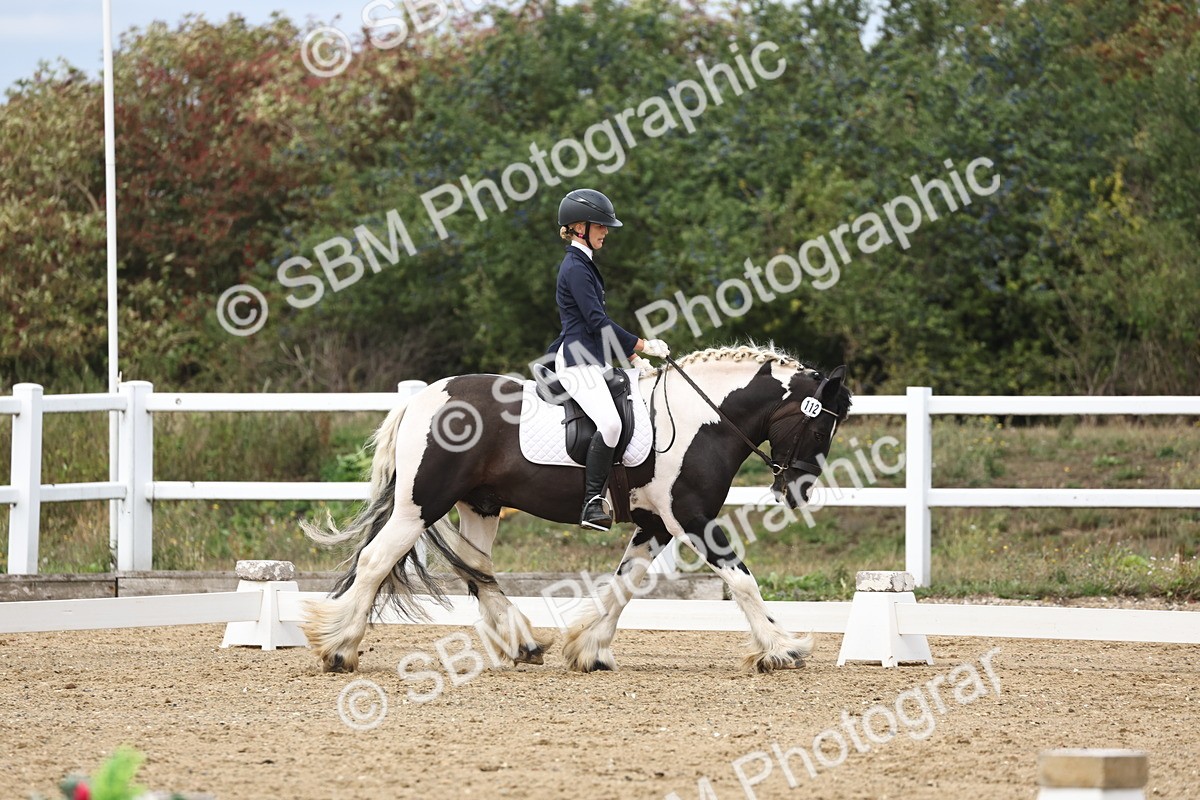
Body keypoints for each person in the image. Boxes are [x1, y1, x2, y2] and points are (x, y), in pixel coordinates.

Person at [547, 189, 670, 531]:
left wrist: (632, 357)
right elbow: (596, 323)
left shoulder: (584, 264)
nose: (605, 232)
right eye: (600, 226)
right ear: (579, 227)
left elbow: (597, 324)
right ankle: (591, 502)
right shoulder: (575, 267)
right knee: (611, 424)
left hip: (592, 358)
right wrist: (642, 345)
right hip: (575, 362)